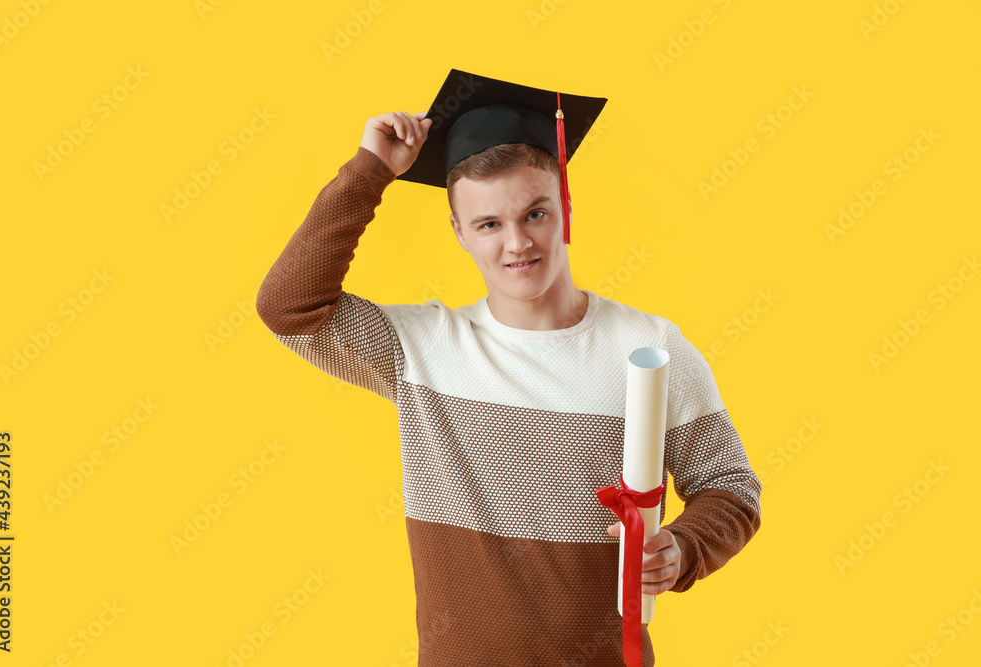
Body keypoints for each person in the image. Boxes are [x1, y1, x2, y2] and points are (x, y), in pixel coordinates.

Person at [255, 69, 762, 667]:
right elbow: (288, 306)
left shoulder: (650, 347)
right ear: (460, 233)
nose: (517, 243)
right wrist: (369, 173)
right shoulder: (420, 348)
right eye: (489, 224)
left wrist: (683, 546)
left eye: (535, 214)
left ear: (565, 206)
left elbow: (731, 489)